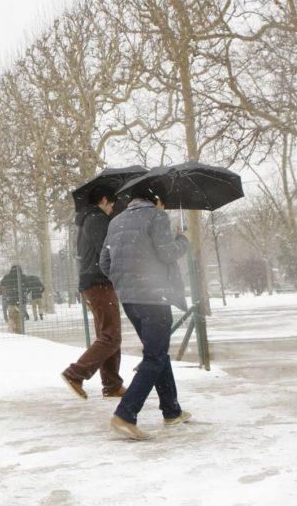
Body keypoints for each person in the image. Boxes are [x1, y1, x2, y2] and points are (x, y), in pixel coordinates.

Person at [99, 188, 191, 440]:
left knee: (157, 353)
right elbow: (167, 253)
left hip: (129, 299)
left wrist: (124, 282)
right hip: (153, 297)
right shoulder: (156, 217)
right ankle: (125, 414)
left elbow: (104, 263)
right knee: (154, 356)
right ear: (156, 199)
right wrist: (182, 239)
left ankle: (171, 410)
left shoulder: (116, 221)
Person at [60, 184, 125, 400]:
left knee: (107, 334)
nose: (113, 208)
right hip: (99, 282)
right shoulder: (97, 219)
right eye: (112, 204)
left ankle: (112, 385)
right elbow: (107, 250)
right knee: (111, 335)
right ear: (104, 199)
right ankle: (75, 374)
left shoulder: (89, 219)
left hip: (94, 282)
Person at [0, 264, 26, 333]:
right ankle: (19, 331)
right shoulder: (23, 277)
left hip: (10, 299)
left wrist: (5, 293)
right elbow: (27, 286)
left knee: (11, 317)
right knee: (19, 317)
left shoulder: (7, 277)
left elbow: (2, 285)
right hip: (21, 300)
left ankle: (12, 330)